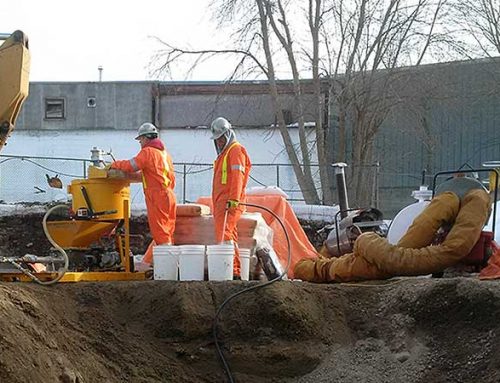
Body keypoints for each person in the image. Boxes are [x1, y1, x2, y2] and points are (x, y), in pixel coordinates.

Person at [294, 179, 492, 283]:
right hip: (377, 253)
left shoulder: (472, 199)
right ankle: (316, 267)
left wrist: (366, 241)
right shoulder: (474, 199)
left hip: (372, 251)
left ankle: (318, 268)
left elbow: (453, 249)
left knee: (382, 259)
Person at [110, 122, 177, 258]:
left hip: (157, 196)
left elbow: (131, 165)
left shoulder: (147, 152)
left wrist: (114, 164)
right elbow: (152, 175)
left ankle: (164, 267)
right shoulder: (164, 155)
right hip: (169, 195)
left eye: (140, 140)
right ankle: (169, 264)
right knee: (168, 231)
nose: (140, 143)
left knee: (160, 232)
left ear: (146, 138)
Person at [210, 117, 251, 279]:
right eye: (217, 140)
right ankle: (234, 270)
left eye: (220, 138)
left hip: (229, 203)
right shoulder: (226, 153)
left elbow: (237, 176)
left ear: (227, 134)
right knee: (229, 235)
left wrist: (233, 199)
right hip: (223, 203)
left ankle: (232, 271)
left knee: (225, 235)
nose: (219, 142)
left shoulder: (235, 151)